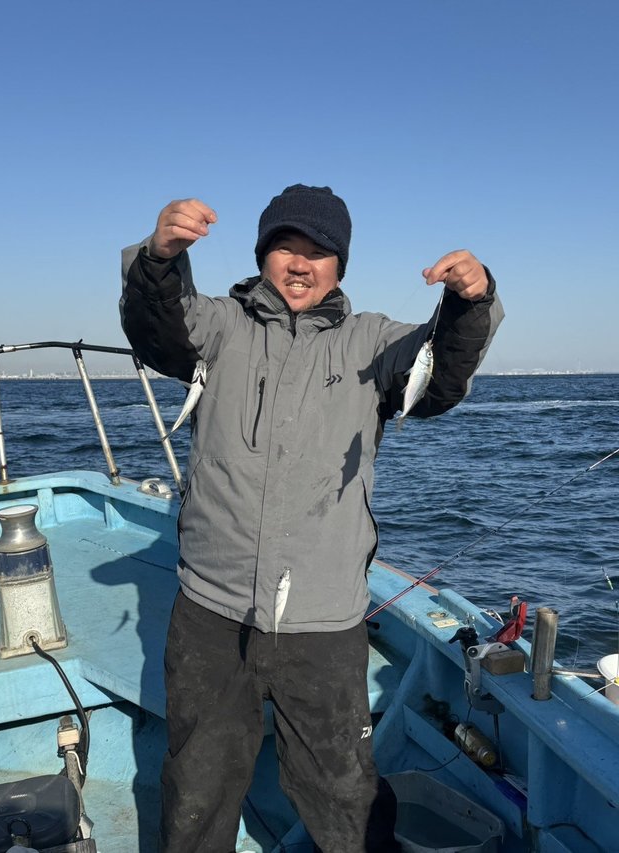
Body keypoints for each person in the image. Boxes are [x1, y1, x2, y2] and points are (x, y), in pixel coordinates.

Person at [120, 184, 503, 853]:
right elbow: (157, 328)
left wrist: (470, 302)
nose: (300, 264)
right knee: (197, 786)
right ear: (263, 255)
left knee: (345, 796)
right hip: (212, 609)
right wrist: (159, 258)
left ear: (339, 265)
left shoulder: (373, 341)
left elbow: (438, 378)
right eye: (285, 247)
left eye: (319, 252)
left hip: (325, 623)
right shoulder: (220, 326)